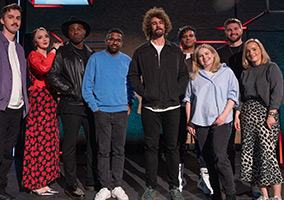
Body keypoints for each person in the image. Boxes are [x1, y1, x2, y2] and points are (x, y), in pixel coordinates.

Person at [128, 7, 189, 200]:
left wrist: (176, 92)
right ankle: (150, 187)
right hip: (150, 107)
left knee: (172, 148)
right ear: (149, 27)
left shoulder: (175, 51)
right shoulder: (141, 51)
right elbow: (132, 76)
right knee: (151, 148)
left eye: (160, 22)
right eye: (154, 23)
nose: (158, 26)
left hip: (172, 107)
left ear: (166, 26)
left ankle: (174, 187)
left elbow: (184, 76)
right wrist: (145, 93)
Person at [47, 17, 97, 199]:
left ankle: (92, 179)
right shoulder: (63, 52)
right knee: (69, 146)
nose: (75, 32)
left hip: (89, 106)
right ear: (68, 33)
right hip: (70, 104)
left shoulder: (92, 54)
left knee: (94, 143)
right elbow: (52, 76)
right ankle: (71, 183)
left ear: (85, 32)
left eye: (79, 29)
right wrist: (70, 89)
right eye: (72, 29)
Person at [82, 28, 135, 200]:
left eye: (118, 40)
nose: (115, 42)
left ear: (121, 42)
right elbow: (87, 86)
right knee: (103, 151)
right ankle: (104, 187)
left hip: (120, 112)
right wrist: (95, 107)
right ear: (106, 41)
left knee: (119, 151)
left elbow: (131, 85)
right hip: (102, 112)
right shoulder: (95, 59)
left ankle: (117, 185)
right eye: (112, 39)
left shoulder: (127, 60)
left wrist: (129, 103)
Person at [0, 3, 29, 200]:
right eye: (11, 17)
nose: (15, 21)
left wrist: (24, 105)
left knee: (6, 155)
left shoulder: (19, 49)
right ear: (3, 20)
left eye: (18, 18)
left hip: (16, 109)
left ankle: (0, 190)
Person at [184, 44, 238, 200]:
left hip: (222, 120)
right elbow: (188, 100)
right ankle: (216, 193)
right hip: (201, 122)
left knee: (220, 157)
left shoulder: (226, 72)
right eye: (200, 56)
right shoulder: (195, 76)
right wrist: (189, 122)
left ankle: (230, 194)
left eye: (207, 54)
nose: (204, 57)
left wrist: (224, 115)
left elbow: (233, 95)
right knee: (208, 159)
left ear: (213, 54)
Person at [234, 38, 283, 200]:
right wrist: (237, 113)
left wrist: (272, 114)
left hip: (266, 114)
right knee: (253, 156)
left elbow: (277, 92)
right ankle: (264, 195)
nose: (251, 53)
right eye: (248, 51)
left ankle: (276, 196)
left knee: (268, 155)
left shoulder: (271, 68)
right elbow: (241, 95)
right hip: (248, 115)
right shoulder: (245, 72)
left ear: (261, 50)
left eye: (254, 49)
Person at [21, 27, 63, 196]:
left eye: (46, 36)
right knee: (37, 141)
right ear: (34, 42)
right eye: (40, 37)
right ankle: (34, 182)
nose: (45, 39)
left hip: (50, 99)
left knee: (49, 142)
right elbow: (43, 69)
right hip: (39, 100)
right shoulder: (34, 55)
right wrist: (54, 49)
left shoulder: (49, 56)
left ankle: (44, 181)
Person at [177, 25, 213, 195]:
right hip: (179, 107)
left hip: (200, 108)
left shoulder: (202, 59)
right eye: (184, 36)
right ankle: (178, 177)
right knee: (179, 142)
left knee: (202, 143)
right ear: (181, 40)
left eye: (191, 35)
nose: (188, 38)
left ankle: (203, 178)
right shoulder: (176, 58)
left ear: (195, 38)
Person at [217, 18, 244, 176]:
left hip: (248, 101)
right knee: (227, 144)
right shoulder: (219, 53)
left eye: (235, 29)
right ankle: (229, 179)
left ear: (241, 30)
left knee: (249, 143)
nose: (233, 32)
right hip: (226, 103)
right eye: (229, 30)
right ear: (225, 32)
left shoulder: (250, 49)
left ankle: (255, 182)